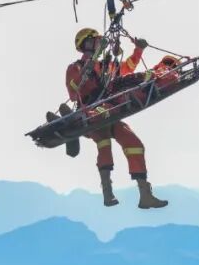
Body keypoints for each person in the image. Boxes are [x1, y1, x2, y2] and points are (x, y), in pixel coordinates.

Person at [66, 27, 169, 209]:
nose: (100, 43)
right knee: (104, 143)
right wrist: (90, 63)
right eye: (96, 40)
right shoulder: (75, 68)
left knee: (134, 144)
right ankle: (108, 193)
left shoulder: (105, 67)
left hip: (111, 110)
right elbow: (74, 93)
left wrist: (138, 50)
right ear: (87, 43)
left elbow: (127, 67)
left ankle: (145, 195)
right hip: (91, 112)